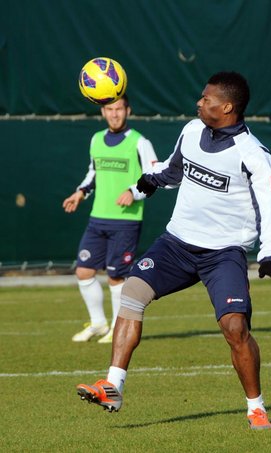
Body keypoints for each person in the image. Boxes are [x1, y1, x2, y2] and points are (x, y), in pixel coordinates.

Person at [76, 71, 271, 431]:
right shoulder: (191, 130)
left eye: (206, 99)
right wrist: (145, 184)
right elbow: (172, 169)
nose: (199, 102)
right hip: (176, 243)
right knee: (132, 292)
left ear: (227, 107)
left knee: (235, 328)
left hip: (223, 253)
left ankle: (255, 407)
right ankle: (113, 386)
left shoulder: (253, 154)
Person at [62, 94, 158, 344]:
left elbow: (154, 176)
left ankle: (117, 327)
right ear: (102, 112)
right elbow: (93, 173)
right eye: (109, 109)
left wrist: (133, 192)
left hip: (126, 222)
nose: (114, 114)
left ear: (128, 111)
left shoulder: (139, 142)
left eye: (119, 109)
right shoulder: (96, 139)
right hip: (98, 218)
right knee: (84, 271)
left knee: (116, 276)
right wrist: (80, 192)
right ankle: (98, 324)